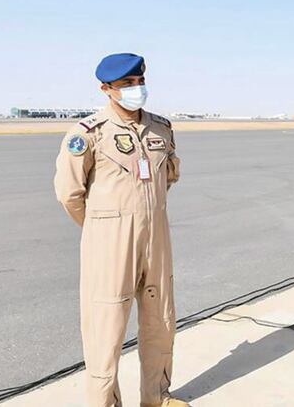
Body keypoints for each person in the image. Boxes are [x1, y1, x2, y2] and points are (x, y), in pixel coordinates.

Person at [54, 53, 187, 407]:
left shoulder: (161, 128)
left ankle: (157, 397)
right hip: (110, 242)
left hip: (156, 235)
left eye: (139, 82)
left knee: (161, 320)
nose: (136, 89)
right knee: (106, 328)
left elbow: (167, 177)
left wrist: (143, 214)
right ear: (106, 89)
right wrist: (103, 227)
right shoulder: (88, 133)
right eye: (127, 84)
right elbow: (70, 193)